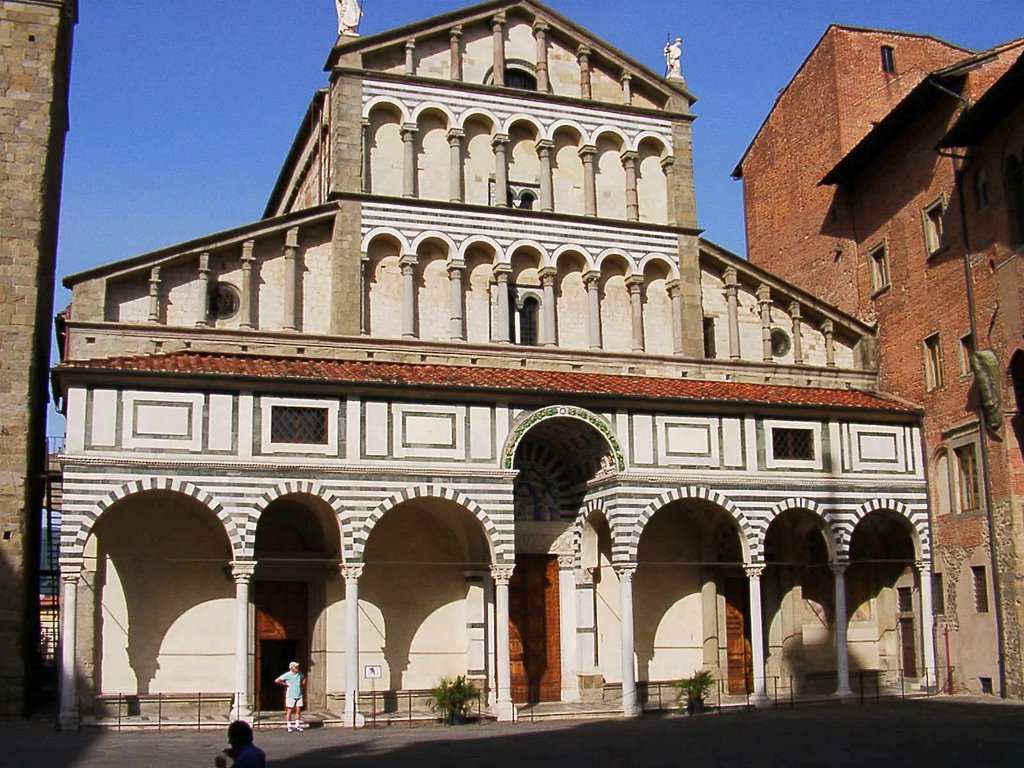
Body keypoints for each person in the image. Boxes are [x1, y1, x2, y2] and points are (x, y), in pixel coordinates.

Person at [275, 661, 306, 732]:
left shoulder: (300, 674)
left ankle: (297, 725)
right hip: (290, 695)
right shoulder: (287, 674)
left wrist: (302, 685)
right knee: (289, 710)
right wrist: (285, 684)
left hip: (299, 694)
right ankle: (289, 725)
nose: (297, 668)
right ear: (292, 668)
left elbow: (304, 678)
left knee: (298, 710)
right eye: (296, 667)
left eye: (297, 667)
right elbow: (277, 680)